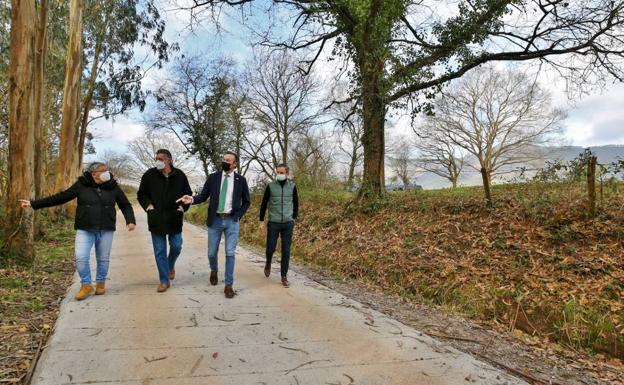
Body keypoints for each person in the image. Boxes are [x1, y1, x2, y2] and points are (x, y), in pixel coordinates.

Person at [19, 162, 136, 300]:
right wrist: (34, 204)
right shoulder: (82, 184)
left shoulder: (113, 186)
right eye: (103, 171)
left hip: (106, 228)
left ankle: (100, 283)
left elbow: (125, 204)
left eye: (107, 170)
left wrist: (130, 220)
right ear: (94, 174)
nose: (107, 173)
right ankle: (86, 284)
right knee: (81, 257)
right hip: (85, 228)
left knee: (103, 259)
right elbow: (61, 197)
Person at [177, 151, 250, 298]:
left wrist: (238, 216)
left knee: (230, 253)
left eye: (228, 160)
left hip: (232, 221)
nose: (225, 162)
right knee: (211, 252)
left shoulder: (240, 180)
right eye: (223, 159)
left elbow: (247, 201)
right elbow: (203, 196)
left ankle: (228, 285)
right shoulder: (213, 178)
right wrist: (191, 199)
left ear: (235, 164)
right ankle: (214, 269)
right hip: (215, 220)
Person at [137, 149, 192, 293]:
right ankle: (164, 280)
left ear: (169, 160)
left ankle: (170, 265)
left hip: (174, 218)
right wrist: (149, 206)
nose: (158, 161)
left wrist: (182, 208)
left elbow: (188, 194)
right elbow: (141, 194)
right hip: (156, 219)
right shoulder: (149, 175)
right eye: (156, 158)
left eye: (160, 159)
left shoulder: (179, 175)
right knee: (160, 250)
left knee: (177, 246)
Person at [259, 164, 299, 287]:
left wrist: (294, 218)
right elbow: (264, 203)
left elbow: (296, 203)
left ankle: (284, 276)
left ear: (287, 174)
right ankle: (268, 263)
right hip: (273, 222)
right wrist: (261, 221)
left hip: (287, 223)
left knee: (286, 250)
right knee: (270, 248)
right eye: (278, 172)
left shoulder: (292, 186)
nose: (279, 175)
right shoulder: (271, 186)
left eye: (282, 173)